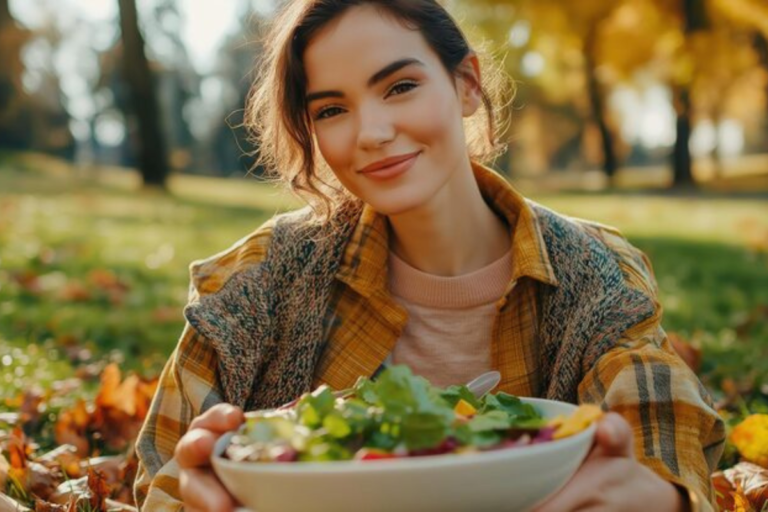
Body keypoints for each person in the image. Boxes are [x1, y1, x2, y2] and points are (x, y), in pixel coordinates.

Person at [133, 1, 725, 511]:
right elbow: (166, 474)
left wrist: (660, 494)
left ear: (466, 84)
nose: (371, 132)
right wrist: (196, 489)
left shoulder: (595, 270)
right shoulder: (258, 279)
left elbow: (660, 439)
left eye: (400, 87)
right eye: (332, 110)